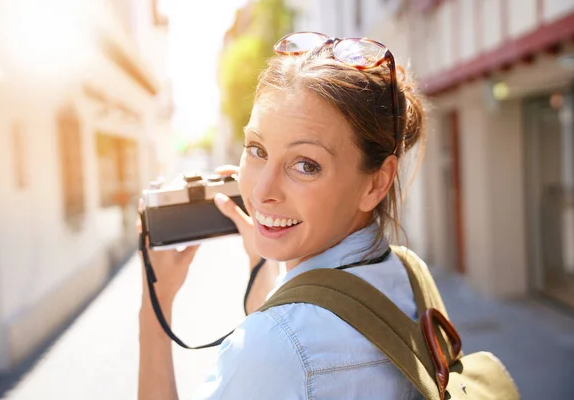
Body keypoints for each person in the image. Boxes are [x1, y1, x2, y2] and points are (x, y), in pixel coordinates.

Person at [138, 32, 426, 400]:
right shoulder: (407, 275)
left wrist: (153, 308)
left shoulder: (275, 346)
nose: (260, 192)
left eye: (305, 165)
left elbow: (292, 355)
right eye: (257, 149)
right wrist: (269, 278)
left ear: (376, 183)